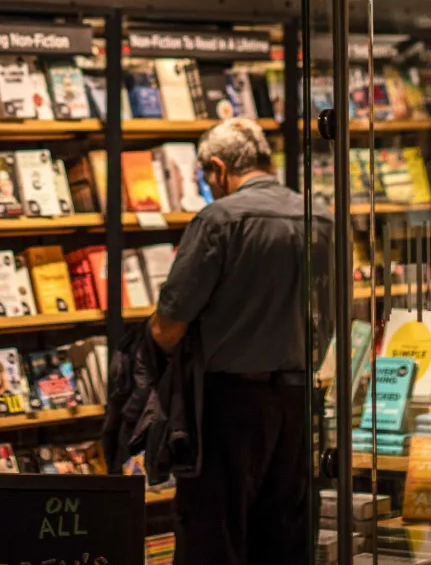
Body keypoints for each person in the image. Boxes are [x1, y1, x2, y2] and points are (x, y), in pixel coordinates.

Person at [150, 118, 325, 565]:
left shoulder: (219, 221)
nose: (211, 187)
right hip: (299, 399)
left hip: (229, 404)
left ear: (218, 167)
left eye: (207, 178)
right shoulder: (320, 219)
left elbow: (167, 328)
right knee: (285, 535)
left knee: (215, 533)